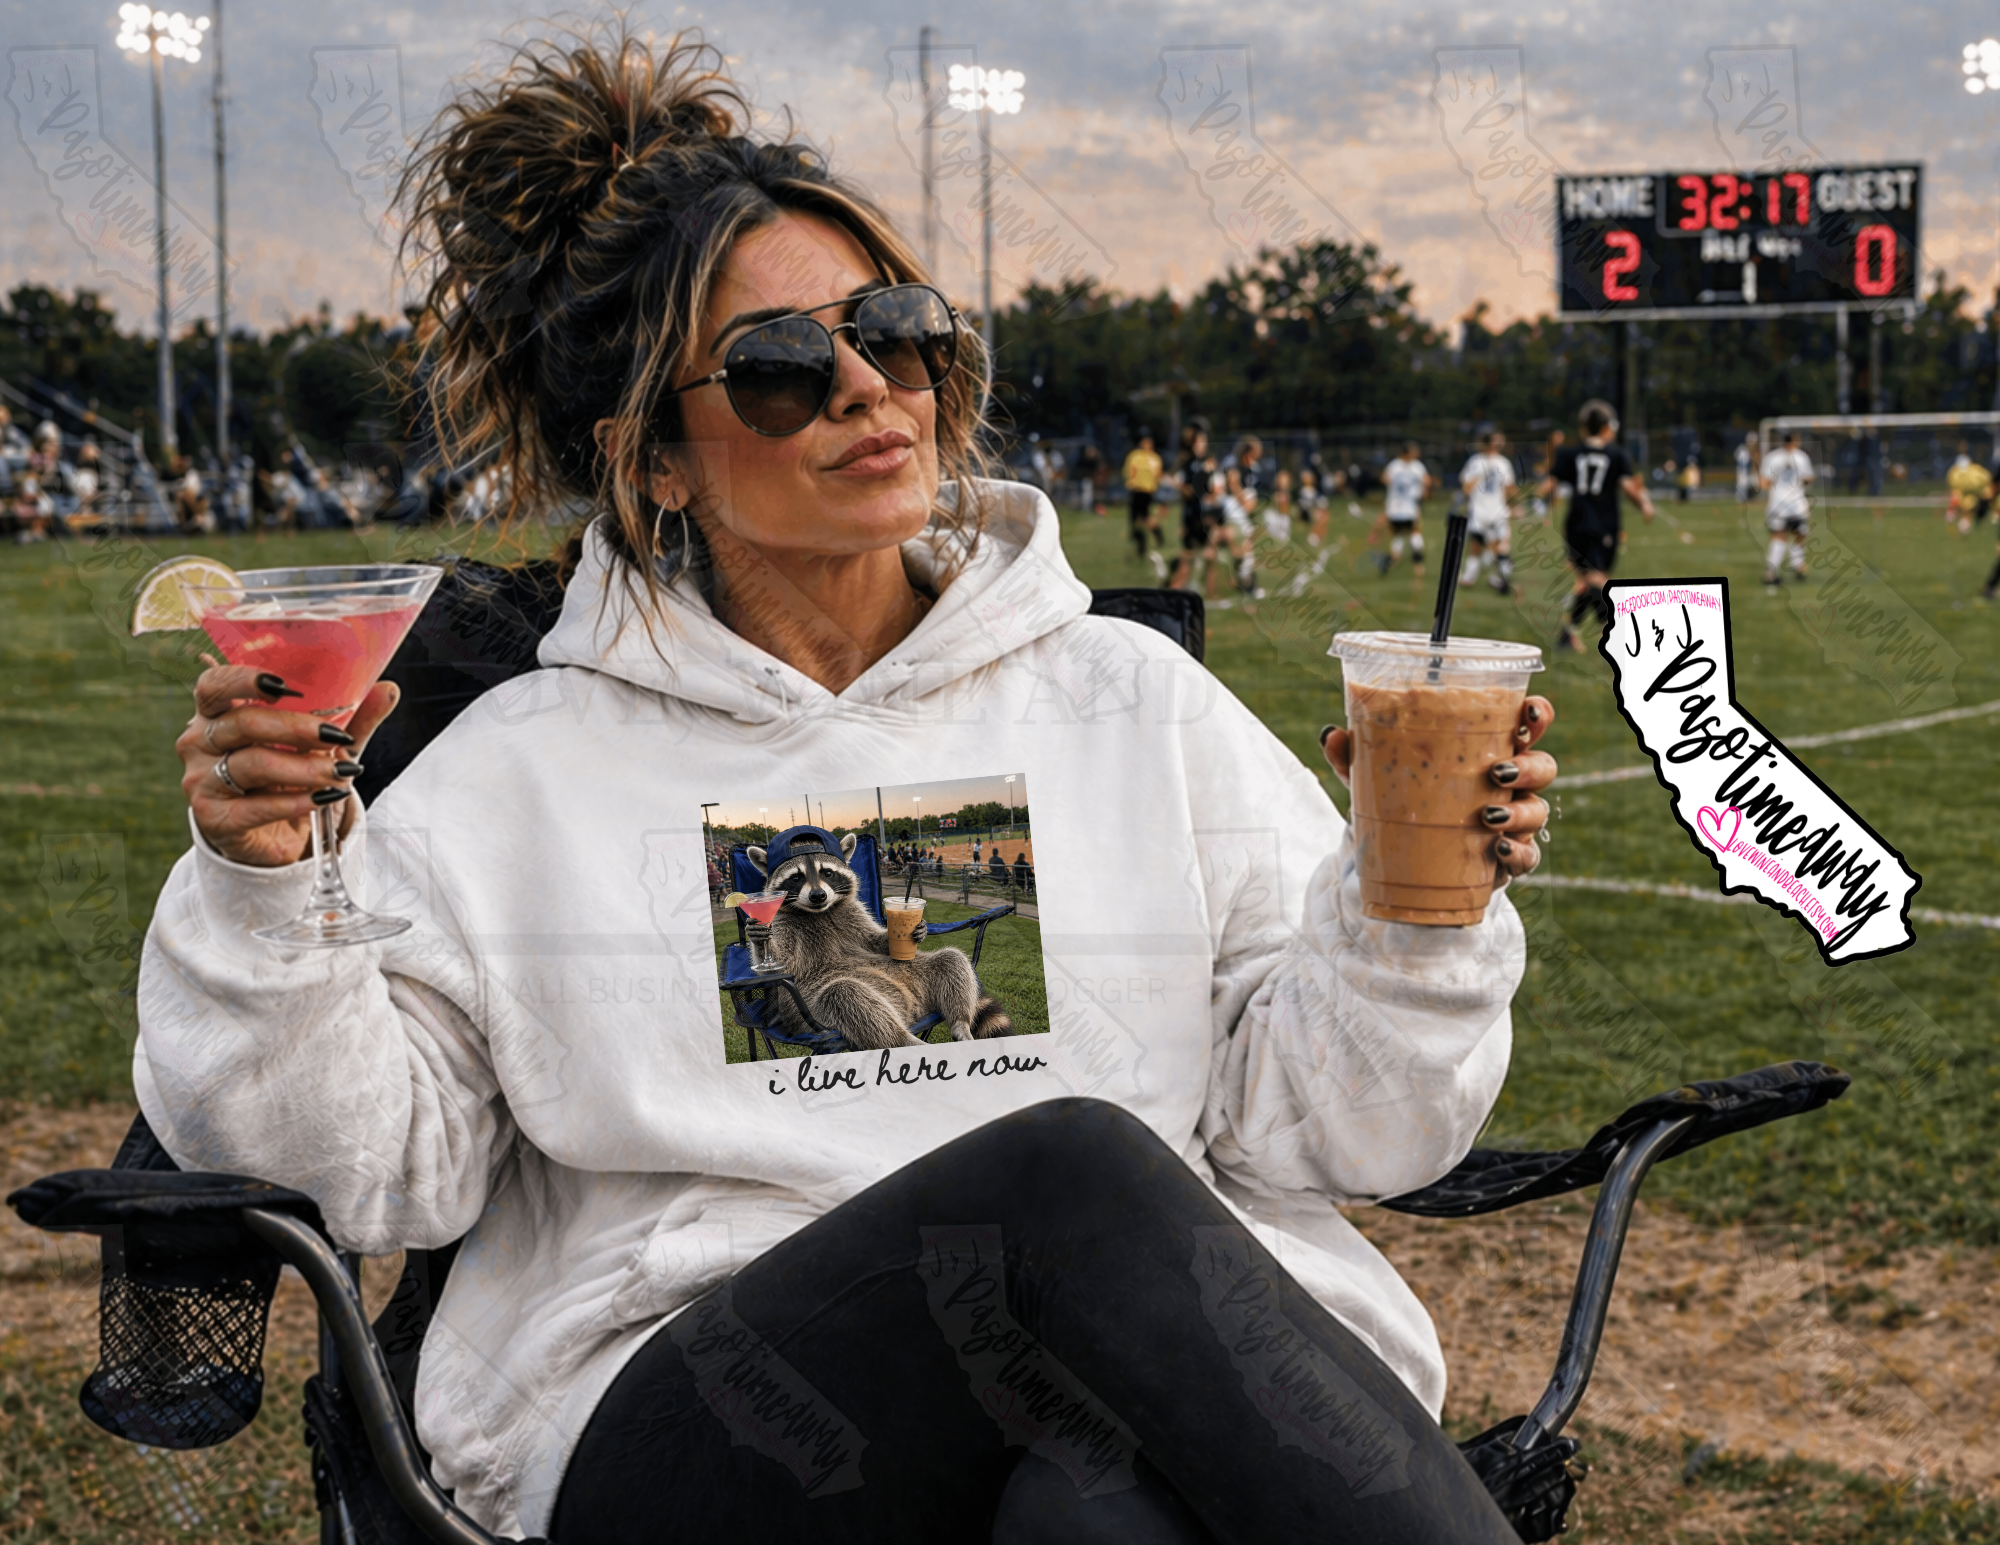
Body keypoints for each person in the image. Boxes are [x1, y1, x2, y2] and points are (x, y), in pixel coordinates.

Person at [133, 29, 1555, 1545]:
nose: (872, 388)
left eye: (896, 328)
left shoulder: (1132, 705)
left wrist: (1415, 925)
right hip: (706, 1415)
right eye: (781, 370)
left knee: (1101, 1517)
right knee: (1065, 1172)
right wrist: (267, 886)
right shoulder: (521, 771)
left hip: (1126, 1388)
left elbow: (1342, 1139)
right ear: (654, 461)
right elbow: (362, 1176)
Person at [1536, 400, 1655, 653]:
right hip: (1602, 524)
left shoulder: (1569, 453)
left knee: (1586, 581)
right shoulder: (1616, 454)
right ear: (1606, 428)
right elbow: (1629, 488)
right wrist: (1644, 505)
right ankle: (1611, 630)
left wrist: (1538, 506)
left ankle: (1568, 635)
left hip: (1575, 524)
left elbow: (1549, 485)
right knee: (1597, 580)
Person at [1459, 429, 1519, 594]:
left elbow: (1508, 487)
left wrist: (1516, 503)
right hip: (1479, 510)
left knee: (1500, 545)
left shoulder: (1503, 462)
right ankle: (1480, 577)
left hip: (1497, 510)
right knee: (1479, 545)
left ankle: (1501, 579)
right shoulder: (1476, 462)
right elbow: (1466, 487)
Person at [1760, 429, 1814, 588]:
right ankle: (1797, 565)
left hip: (1778, 504)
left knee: (1780, 536)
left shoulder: (1771, 457)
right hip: (1796, 505)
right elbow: (1808, 478)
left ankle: (1773, 571)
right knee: (1800, 534)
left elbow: (1763, 483)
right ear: (1795, 440)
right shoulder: (1802, 457)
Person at [1374, 439, 1432, 577]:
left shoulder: (1395, 466)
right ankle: (1418, 565)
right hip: (1407, 507)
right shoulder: (1415, 466)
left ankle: (1393, 559)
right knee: (1414, 532)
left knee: (1398, 534)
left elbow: (1384, 478)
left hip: (1395, 507)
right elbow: (1426, 480)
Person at [1122, 429, 1164, 570]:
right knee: (1137, 521)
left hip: (1145, 492)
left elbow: (1157, 476)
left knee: (1141, 520)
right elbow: (1129, 472)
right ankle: (1146, 542)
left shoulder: (1152, 458)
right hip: (1137, 491)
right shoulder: (1137, 456)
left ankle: (1150, 539)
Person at [1946, 442, 1993, 536]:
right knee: (1963, 500)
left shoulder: (1960, 468)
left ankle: (1955, 515)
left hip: (1969, 486)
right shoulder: (1973, 468)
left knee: (1964, 501)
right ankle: (1956, 515)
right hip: (1970, 485)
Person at [1735, 435, 1757, 502]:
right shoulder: (1743, 450)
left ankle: (1752, 498)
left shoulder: (1751, 450)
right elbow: (1745, 464)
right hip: (1743, 471)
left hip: (1748, 472)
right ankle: (1742, 499)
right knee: (1743, 483)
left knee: (1754, 482)